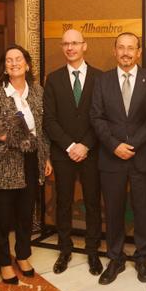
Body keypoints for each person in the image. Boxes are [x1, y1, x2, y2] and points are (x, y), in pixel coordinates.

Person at [0, 46, 52, 285]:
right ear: (5, 66)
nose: (14, 63)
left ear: (27, 64)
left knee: (25, 213)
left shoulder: (38, 92)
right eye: (9, 60)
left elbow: (42, 131)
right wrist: (6, 137)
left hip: (31, 161)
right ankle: (3, 261)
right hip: (2, 163)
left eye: (18, 59)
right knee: (1, 217)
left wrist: (46, 157)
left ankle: (22, 255)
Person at [89, 33, 146, 285]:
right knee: (114, 210)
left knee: (142, 211)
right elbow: (96, 117)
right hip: (111, 157)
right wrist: (115, 145)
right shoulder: (102, 80)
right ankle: (115, 258)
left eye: (131, 48)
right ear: (114, 50)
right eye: (121, 48)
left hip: (141, 157)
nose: (126, 52)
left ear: (139, 52)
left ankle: (142, 258)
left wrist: (133, 144)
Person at [42, 29, 103, 276]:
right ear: (62, 47)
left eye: (75, 43)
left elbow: (101, 116)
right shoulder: (53, 79)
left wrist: (85, 145)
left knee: (92, 203)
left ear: (84, 46)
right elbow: (49, 119)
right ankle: (64, 249)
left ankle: (92, 251)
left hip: (92, 151)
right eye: (66, 43)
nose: (70, 48)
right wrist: (70, 146)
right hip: (63, 153)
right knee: (63, 202)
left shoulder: (100, 78)